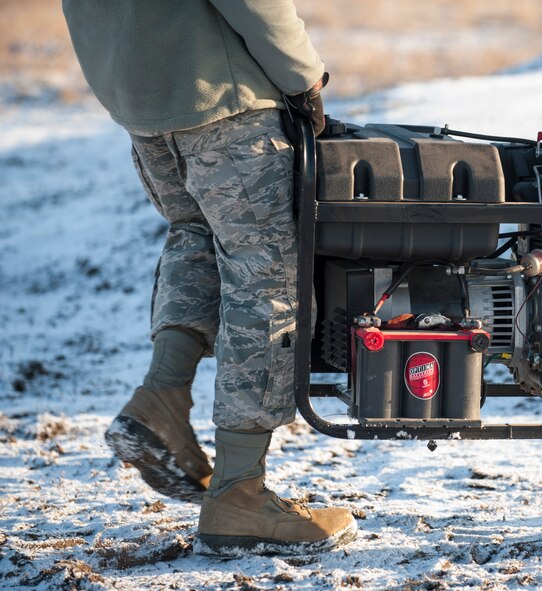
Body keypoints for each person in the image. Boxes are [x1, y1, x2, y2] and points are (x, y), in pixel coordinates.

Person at [62, 0, 356, 556]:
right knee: (267, 281)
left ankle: (161, 396)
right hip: (221, 98)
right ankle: (239, 494)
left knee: (196, 234)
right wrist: (303, 73)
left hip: (138, 99)